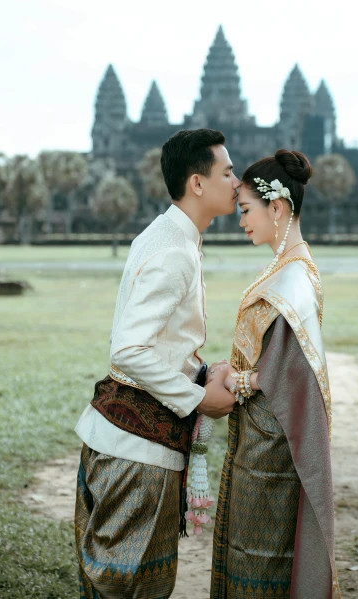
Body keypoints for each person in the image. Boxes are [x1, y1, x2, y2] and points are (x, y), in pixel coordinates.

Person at [74, 128, 239, 599]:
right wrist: (199, 397)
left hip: (122, 440)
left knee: (117, 581)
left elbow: (156, 342)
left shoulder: (166, 234)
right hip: (137, 456)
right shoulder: (173, 249)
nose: (236, 180)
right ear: (198, 183)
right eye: (227, 172)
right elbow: (129, 348)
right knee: (127, 586)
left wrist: (203, 373)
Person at [210, 149, 341, 599]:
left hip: (273, 448)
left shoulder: (294, 279)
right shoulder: (288, 267)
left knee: (263, 560)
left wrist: (234, 380)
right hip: (260, 439)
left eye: (246, 210)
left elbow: (283, 376)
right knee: (252, 554)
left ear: (278, 208)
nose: (241, 220)